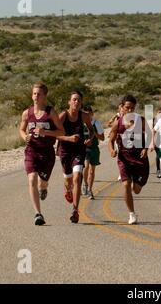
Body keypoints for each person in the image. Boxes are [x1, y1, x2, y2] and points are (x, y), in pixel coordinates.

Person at [19, 82, 64, 225]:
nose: (36, 96)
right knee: (32, 179)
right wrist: (24, 136)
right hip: (31, 151)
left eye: (39, 94)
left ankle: (44, 188)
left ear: (45, 96)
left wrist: (46, 132)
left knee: (42, 183)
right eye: (34, 93)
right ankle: (38, 214)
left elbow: (62, 132)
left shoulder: (50, 112)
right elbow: (21, 129)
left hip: (47, 153)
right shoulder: (27, 113)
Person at [108, 95, 150, 225]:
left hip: (140, 160)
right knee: (125, 185)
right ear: (122, 107)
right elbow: (111, 139)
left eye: (132, 108)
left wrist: (146, 148)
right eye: (127, 108)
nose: (130, 110)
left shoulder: (140, 120)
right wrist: (111, 150)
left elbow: (150, 134)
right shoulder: (118, 123)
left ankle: (134, 184)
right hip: (124, 158)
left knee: (136, 190)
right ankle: (132, 214)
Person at [56, 91, 95, 224]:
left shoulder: (84, 116)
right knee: (69, 181)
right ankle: (67, 189)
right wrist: (68, 138)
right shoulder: (63, 116)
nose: (76, 102)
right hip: (65, 152)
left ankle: (75, 210)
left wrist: (89, 139)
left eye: (79, 100)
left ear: (81, 103)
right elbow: (55, 134)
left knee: (77, 177)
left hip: (79, 151)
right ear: (69, 102)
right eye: (74, 100)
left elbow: (91, 130)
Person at [82, 106, 105, 200]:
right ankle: (85, 184)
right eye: (85, 114)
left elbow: (103, 138)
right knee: (86, 167)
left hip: (94, 149)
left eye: (89, 113)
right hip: (84, 149)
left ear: (92, 114)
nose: (87, 116)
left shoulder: (97, 123)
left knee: (92, 171)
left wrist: (94, 133)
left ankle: (90, 191)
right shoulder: (81, 124)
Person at [154, 107, 161, 182]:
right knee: (158, 156)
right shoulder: (154, 120)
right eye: (158, 112)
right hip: (156, 141)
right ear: (156, 113)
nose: (160, 114)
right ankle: (158, 169)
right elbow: (151, 131)